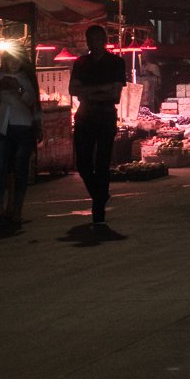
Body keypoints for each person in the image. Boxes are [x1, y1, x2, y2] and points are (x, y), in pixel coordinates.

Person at [69, 24, 124, 231]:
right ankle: (100, 195)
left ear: (104, 40)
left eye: (98, 38)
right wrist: (102, 89)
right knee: (83, 163)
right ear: (88, 41)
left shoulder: (116, 62)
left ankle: (98, 210)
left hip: (105, 115)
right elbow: (73, 90)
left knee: (101, 163)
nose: (95, 43)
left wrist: (88, 91)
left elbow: (115, 95)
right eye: (91, 39)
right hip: (84, 116)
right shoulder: (81, 63)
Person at [0, 48, 41, 225]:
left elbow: (33, 103)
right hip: (2, 127)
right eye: (10, 59)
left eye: (17, 59)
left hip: (23, 127)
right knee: (0, 168)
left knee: (20, 169)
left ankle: (17, 209)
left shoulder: (27, 78)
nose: (13, 63)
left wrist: (18, 89)